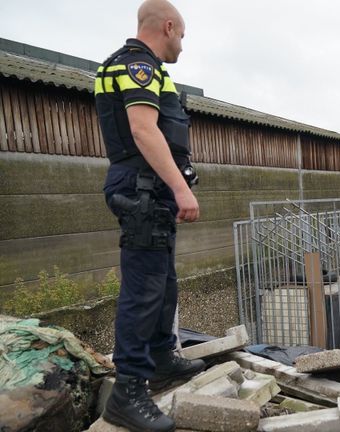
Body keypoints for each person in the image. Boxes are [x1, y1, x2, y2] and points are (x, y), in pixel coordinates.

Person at [94, 1, 204, 430]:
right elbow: (142, 129)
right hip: (141, 190)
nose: (182, 45)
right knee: (143, 290)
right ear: (169, 26)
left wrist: (173, 185)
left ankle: (160, 358)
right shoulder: (137, 65)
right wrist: (179, 187)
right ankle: (128, 392)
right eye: (182, 36)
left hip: (150, 191)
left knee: (163, 282)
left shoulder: (143, 67)